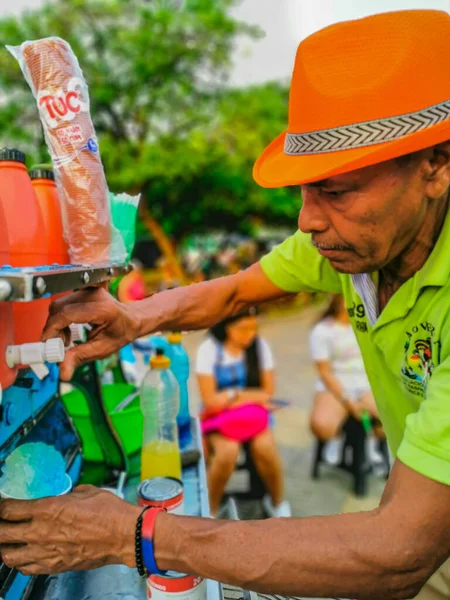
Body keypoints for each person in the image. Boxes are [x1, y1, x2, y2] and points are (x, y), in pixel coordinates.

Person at [2, 10, 450, 600]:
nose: (307, 221)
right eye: (304, 189)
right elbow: (235, 289)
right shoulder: (361, 243)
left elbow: (397, 552)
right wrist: (134, 317)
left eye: (336, 190)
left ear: (435, 166)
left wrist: (136, 533)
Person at [196, 309, 290, 517]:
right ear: (226, 326)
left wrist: (231, 396)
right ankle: (210, 508)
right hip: (220, 419)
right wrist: (249, 396)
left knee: (265, 447)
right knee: (227, 452)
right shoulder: (209, 349)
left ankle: (277, 502)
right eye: (243, 329)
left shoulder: (260, 347)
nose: (250, 334)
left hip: (253, 417)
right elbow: (210, 400)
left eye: (254, 327)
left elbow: (267, 393)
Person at [310, 294, 381, 440]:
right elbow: (324, 371)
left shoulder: (369, 324)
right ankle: (336, 442)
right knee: (322, 424)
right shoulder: (323, 330)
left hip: (366, 384)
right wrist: (348, 401)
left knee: (393, 418)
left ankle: (373, 445)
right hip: (335, 385)